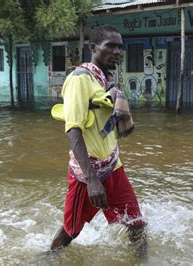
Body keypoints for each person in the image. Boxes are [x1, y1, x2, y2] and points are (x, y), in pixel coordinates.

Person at [49, 25, 147, 256]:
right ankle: (48, 259)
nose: (116, 52)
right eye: (110, 46)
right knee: (71, 230)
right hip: (87, 174)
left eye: (119, 47)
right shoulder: (79, 79)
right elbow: (73, 130)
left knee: (137, 224)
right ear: (93, 48)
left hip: (113, 166)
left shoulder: (106, 80)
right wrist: (92, 180)